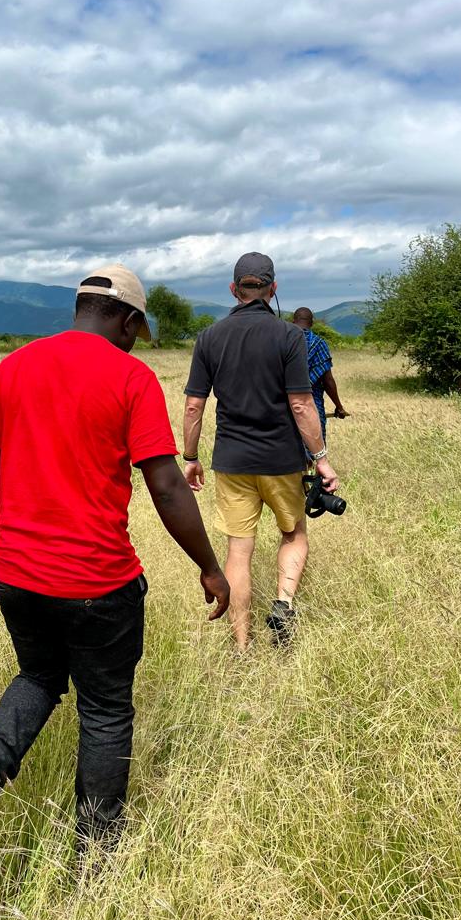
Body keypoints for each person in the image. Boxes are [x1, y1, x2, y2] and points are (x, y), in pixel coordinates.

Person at [0, 265, 230, 882]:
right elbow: (167, 485)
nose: (131, 342)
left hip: (18, 575)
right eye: (133, 332)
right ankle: (93, 860)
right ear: (128, 320)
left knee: (39, 674)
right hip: (98, 582)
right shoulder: (131, 376)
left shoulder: (15, 367)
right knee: (106, 709)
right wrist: (209, 565)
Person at [182, 253, 339, 651]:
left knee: (238, 549)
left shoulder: (210, 337)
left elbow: (194, 406)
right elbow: (302, 405)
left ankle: (241, 644)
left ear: (234, 290)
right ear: (273, 289)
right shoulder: (289, 337)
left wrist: (190, 457)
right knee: (293, 532)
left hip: (232, 462)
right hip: (282, 460)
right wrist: (321, 458)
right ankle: (284, 604)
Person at [291, 307, 350, 446]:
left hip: (285, 405)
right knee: (315, 449)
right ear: (312, 323)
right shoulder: (318, 343)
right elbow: (328, 380)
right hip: (312, 405)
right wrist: (339, 407)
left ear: (293, 322)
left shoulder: (283, 342)